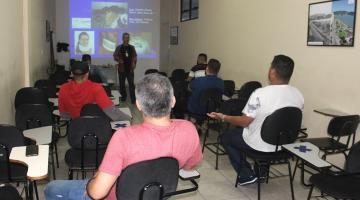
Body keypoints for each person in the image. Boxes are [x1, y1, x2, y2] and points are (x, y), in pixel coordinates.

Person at [44, 74, 203, 200]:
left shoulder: (124, 137)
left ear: (138, 104)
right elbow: (189, 167)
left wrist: (92, 182)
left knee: (51, 189)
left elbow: (97, 193)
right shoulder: (189, 129)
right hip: (156, 194)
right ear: (173, 101)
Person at [207, 55, 304, 186]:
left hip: (260, 144)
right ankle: (262, 172)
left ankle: (246, 174)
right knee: (267, 133)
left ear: (272, 71)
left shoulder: (259, 94)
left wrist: (223, 117)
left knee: (226, 138)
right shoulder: (298, 95)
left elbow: (244, 121)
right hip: (283, 145)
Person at [58, 61, 130, 121]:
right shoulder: (95, 88)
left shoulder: (63, 88)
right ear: (87, 74)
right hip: (95, 126)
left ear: (72, 74)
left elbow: (64, 114)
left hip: (76, 128)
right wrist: (128, 119)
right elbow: (111, 111)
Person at [113, 32, 137, 104]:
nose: (126, 39)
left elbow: (135, 56)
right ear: (122, 38)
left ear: (129, 39)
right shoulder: (119, 47)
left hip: (130, 69)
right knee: (122, 85)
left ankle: (133, 99)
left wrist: (134, 63)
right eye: (125, 37)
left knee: (131, 85)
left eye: (127, 37)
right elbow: (115, 55)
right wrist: (118, 59)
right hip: (122, 69)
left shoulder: (132, 47)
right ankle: (123, 97)